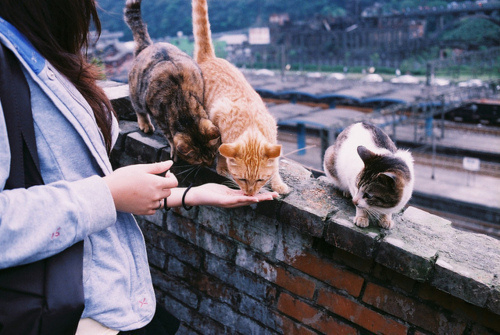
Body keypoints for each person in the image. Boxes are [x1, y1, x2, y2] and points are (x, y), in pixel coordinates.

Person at [0, 0, 278, 334]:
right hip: (69, 313)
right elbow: (103, 195)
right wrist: (108, 194)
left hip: (111, 297)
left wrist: (193, 193)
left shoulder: (36, 51)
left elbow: (86, 186)